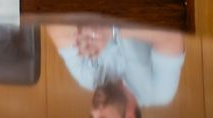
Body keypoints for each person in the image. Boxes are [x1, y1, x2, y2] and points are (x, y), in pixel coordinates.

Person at [47, 24, 185, 116]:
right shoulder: (159, 93)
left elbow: (54, 27)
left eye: (91, 116)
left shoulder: (86, 78)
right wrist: (113, 30)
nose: (94, 111)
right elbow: (171, 36)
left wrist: (82, 29)